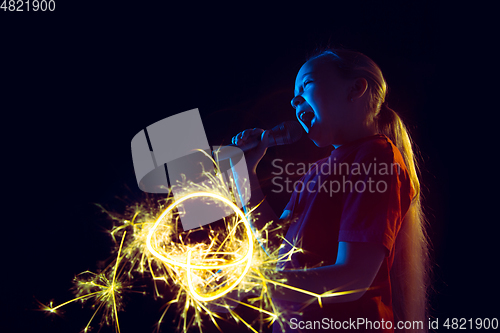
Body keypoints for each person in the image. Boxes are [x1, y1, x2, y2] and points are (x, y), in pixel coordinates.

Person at [231, 48, 430, 332]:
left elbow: (353, 278)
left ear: (356, 89)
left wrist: (255, 287)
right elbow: (279, 253)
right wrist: (245, 176)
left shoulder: (377, 157)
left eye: (307, 84)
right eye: (294, 93)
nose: (293, 98)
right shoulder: (313, 173)